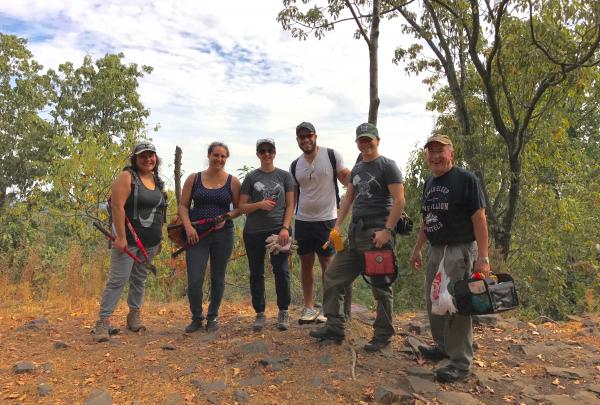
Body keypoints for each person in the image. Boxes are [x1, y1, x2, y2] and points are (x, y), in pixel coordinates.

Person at [309, 123, 405, 352]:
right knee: (333, 276)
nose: (365, 144)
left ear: (377, 140)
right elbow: (348, 198)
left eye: (369, 139)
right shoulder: (359, 167)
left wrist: (387, 231)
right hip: (354, 234)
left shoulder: (387, 166)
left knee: (380, 288)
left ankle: (382, 335)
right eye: (361, 140)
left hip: (376, 235)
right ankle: (335, 327)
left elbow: (399, 201)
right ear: (357, 143)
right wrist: (337, 226)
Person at [409, 133, 491, 383]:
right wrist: (417, 248)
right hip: (436, 248)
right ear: (426, 156)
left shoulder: (466, 180)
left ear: (451, 154)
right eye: (431, 152)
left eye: (440, 151)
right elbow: (427, 220)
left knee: (456, 304)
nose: (436, 156)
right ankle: (444, 346)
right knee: (435, 300)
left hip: (460, 249)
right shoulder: (429, 183)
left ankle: (460, 363)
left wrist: (484, 257)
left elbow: (479, 218)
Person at [93, 141, 167, 342]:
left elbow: (160, 211)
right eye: (143, 155)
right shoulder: (127, 177)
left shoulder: (157, 181)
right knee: (118, 279)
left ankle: (134, 315)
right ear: (135, 159)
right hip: (128, 242)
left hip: (150, 243)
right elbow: (117, 207)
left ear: (155, 158)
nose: (147, 159)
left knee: (139, 279)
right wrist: (121, 237)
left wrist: (159, 239)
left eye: (151, 155)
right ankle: (103, 322)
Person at [290, 122, 350, 324]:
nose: (305, 140)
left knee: (328, 265)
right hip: (303, 221)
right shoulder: (295, 165)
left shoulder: (331, 155)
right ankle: (308, 307)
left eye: (309, 135)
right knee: (306, 264)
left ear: (315, 136)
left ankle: (327, 307)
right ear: (297, 140)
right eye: (301, 137)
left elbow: (345, 178)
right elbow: (294, 196)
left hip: (328, 220)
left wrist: (362, 171)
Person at [179, 142, 240, 333]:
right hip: (197, 234)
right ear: (209, 155)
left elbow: (238, 208)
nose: (219, 159)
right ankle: (197, 317)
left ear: (226, 158)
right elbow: (183, 206)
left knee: (218, 277)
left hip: (223, 234)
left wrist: (227, 217)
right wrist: (188, 228)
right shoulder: (194, 179)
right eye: (216, 155)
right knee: (195, 278)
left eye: (223, 156)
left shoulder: (233, 181)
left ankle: (212, 317)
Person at [239, 138, 295, 332]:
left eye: (270, 150)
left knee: (281, 271)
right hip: (253, 231)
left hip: (278, 230)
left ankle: (283, 311)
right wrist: (259, 205)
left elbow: (290, 205)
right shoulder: (251, 178)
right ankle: (260, 313)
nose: (266, 154)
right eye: (262, 151)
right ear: (258, 154)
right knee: (256, 272)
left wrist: (285, 228)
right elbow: (242, 207)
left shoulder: (284, 176)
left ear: (275, 152)